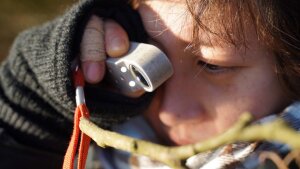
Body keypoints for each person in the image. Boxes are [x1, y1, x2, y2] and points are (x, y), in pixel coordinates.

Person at [0, 0, 299, 168]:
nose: (169, 110)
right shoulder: (108, 131)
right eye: (145, 52)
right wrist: (36, 99)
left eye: (213, 65)